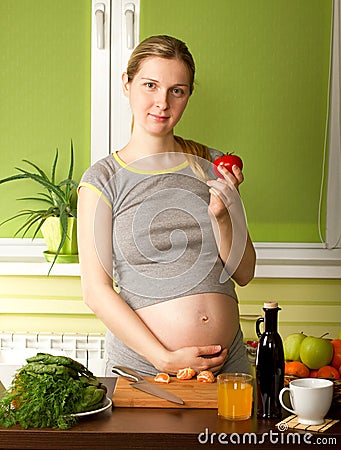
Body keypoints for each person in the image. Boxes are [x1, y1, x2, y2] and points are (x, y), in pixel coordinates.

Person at [77, 35, 256, 377]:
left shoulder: (212, 164)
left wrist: (222, 216)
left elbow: (244, 272)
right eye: (150, 85)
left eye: (177, 90)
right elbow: (95, 291)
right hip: (145, 368)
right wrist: (164, 358)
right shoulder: (103, 179)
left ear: (188, 95)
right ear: (126, 85)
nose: (162, 102)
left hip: (227, 365)